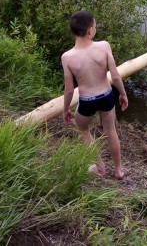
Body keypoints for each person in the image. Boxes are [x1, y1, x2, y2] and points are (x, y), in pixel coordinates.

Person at [61, 10, 128, 180]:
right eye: (95, 26)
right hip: (106, 96)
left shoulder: (67, 57)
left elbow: (69, 89)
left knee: (83, 130)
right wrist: (123, 94)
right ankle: (118, 170)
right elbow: (115, 76)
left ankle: (100, 168)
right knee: (110, 130)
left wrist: (65, 109)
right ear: (90, 31)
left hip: (87, 101)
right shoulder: (104, 46)